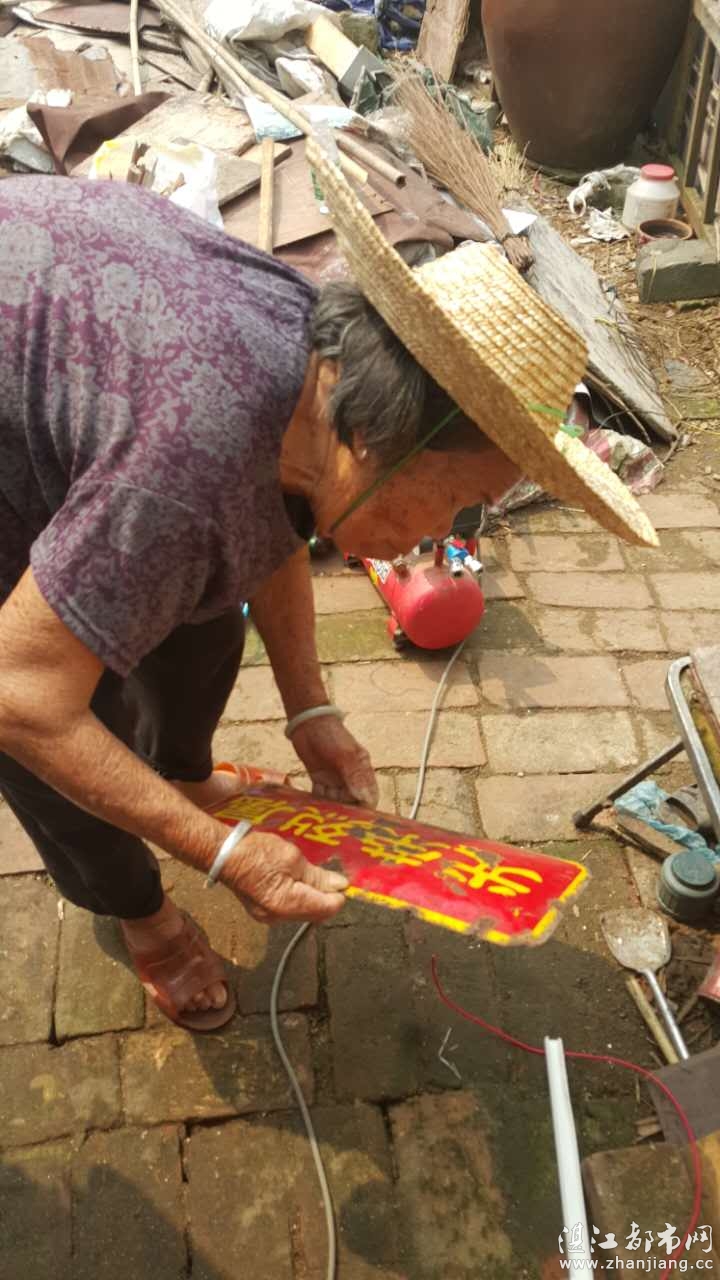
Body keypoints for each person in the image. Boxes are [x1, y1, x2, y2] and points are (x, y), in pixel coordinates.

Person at [0, 158, 656, 1031]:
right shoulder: (185, 468)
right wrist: (225, 853)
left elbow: (266, 518)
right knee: (63, 726)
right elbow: (22, 698)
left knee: (199, 613)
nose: (440, 532)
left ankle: (181, 777)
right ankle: (139, 911)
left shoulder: (313, 373)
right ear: (380, 440)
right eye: (458, 498)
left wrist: (310, 710)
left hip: (74, 339)